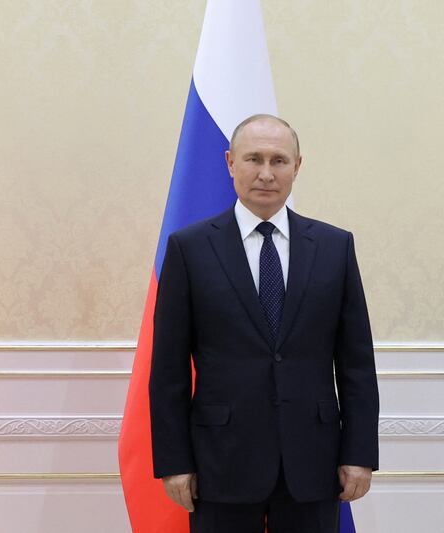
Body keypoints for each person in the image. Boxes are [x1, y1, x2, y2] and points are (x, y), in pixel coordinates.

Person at [149, 114, 379, 532]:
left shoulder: (334, 247)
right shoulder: (190, 249)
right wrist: (174, 461)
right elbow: (168, 371)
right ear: (230, 163)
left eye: (279, 160)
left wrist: (359, 453)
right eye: (254, 159)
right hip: (220, 463)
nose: (266, 173)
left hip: (313, 462)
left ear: (298, 166)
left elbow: (356, 364)